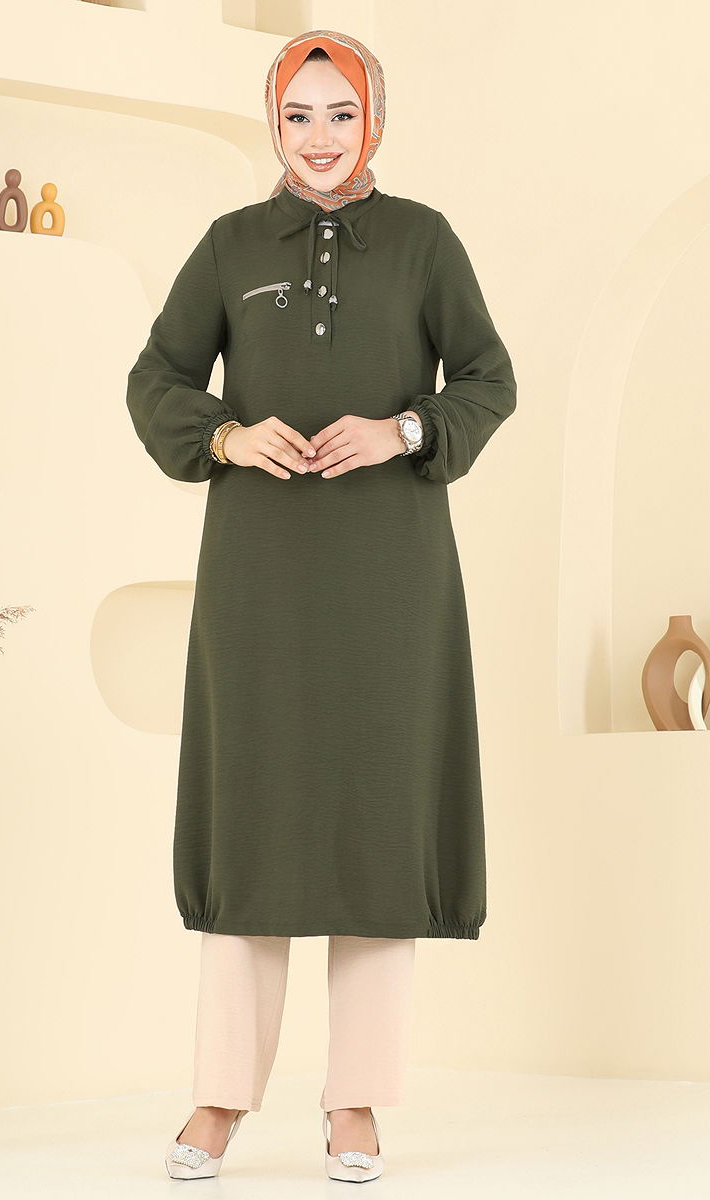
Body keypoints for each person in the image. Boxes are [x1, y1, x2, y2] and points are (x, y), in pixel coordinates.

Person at [126, 28, 517, 1183]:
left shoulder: (424, 241)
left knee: (375, 829)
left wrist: (405, 427)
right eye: (297, 114)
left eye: (339, 112)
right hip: (258, 583)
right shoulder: (229, 245)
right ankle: (218, 1099)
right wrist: (226, 437)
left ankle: (356, 1105)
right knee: (254, 823)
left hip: (391, 581)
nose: (318, 136)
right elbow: (156, 378)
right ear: (273, 123)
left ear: (373, 119)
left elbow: (487, 377)